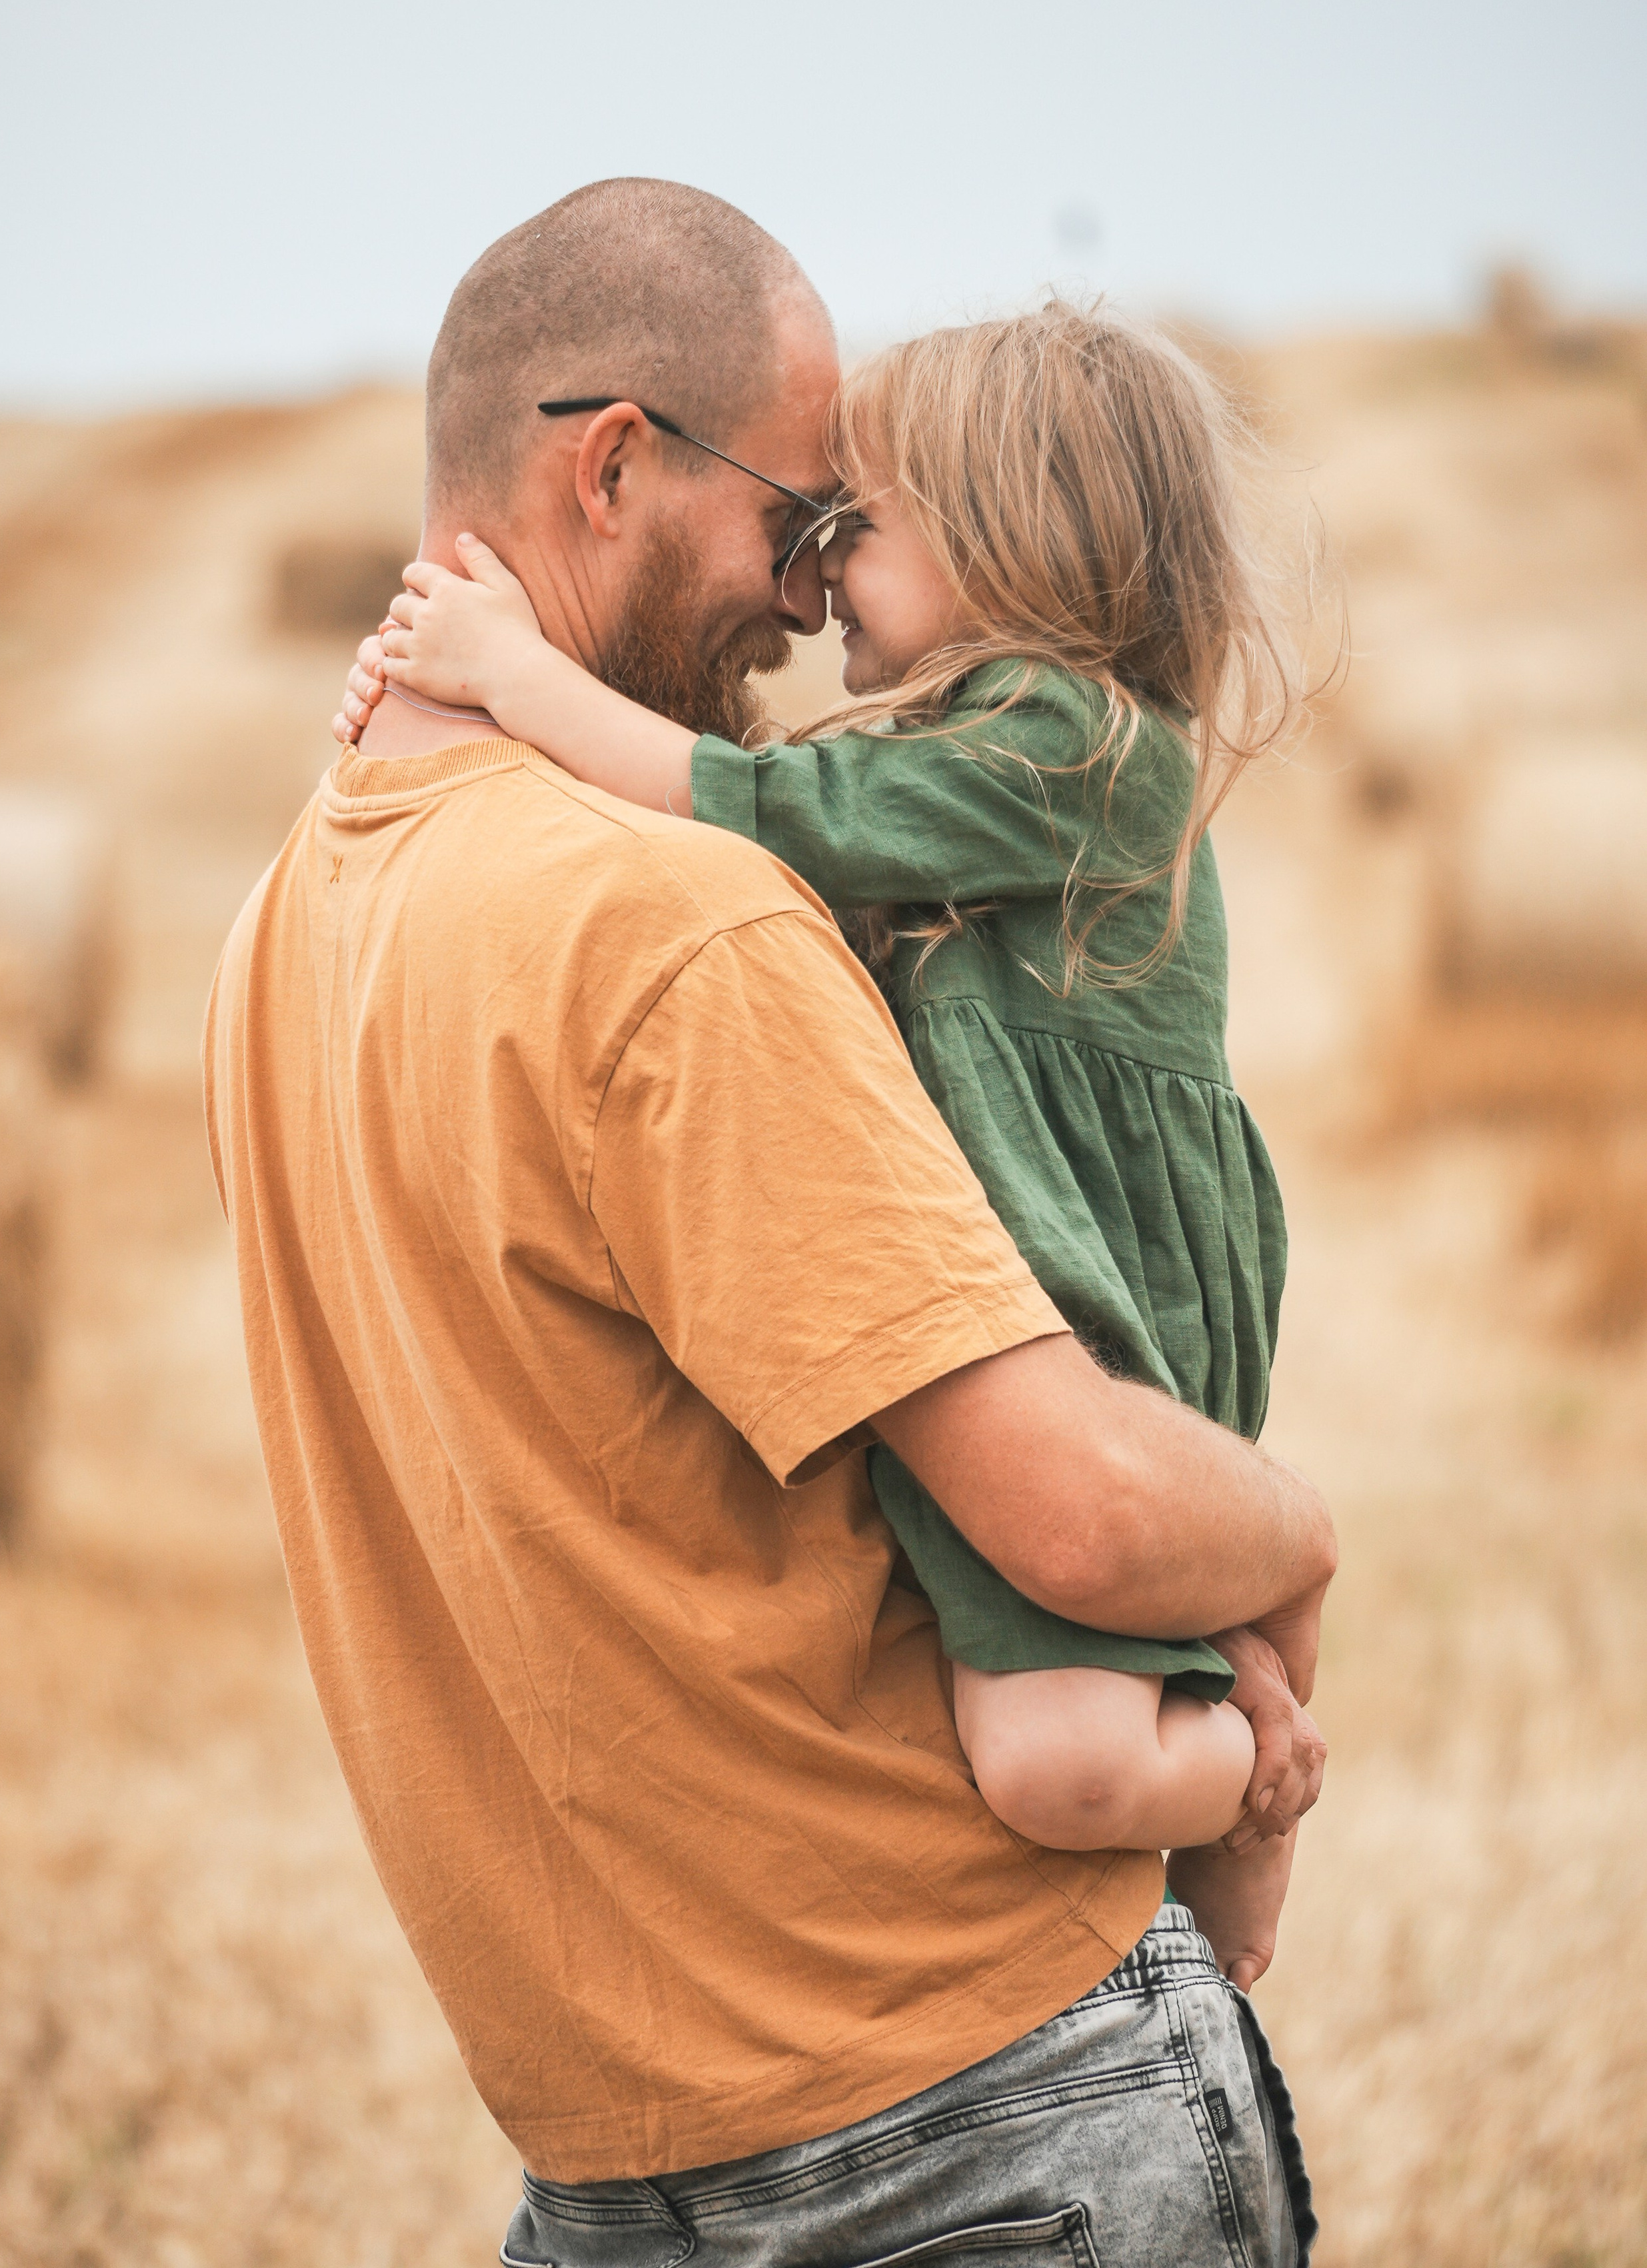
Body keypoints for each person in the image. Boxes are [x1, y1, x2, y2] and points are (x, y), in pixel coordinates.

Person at [209, 178, 1333, 2268]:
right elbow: (1088, 1520)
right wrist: (1299, 1539)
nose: (814, 609)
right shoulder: (672, 925)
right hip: (980, 2133)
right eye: (796, 522)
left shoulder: (288, 927)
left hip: (637, 2156)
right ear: (615, 466)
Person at [339, 300, 1314, 1977]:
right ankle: (1228, 1737)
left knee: (1057, 1763)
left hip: (1092, 1276)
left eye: (854, 526)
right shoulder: (975, 756)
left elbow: (753, 813)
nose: (815, 577)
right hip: (1017, 1260)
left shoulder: (1071, 745)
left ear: (1003, 542)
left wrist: (510, 675)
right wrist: (424, 710)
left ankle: (1258, 1781)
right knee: (1070, 1706)